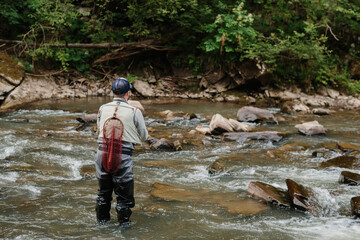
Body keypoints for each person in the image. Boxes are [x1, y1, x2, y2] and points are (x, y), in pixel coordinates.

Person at [95, 77, 148, 227]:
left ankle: (102, 225)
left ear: (112, 92)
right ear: (128, 93)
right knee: (124, 198)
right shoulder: (134, 111)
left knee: (103, 194)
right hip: (123, 156)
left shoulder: (102, 108)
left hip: (101, 154)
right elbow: (144, 136)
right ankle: (124, 228)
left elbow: (99, 128)